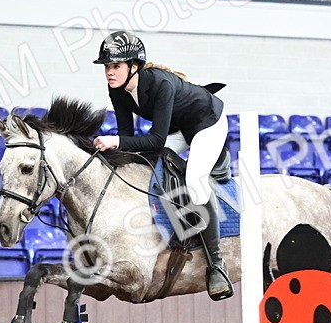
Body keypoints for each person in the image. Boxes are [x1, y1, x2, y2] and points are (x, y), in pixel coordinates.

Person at [90, 30, 233, 301]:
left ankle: (216, 265)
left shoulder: (160, 84)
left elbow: (154, 140)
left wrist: (115, 141)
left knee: (194, 180)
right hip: (179, 128)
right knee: (148, 163)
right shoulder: (116, 89)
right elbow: (128, 136)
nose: (110, 72)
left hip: (207, 122)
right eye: (107, 66)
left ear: (134, 66)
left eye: (116, 66)